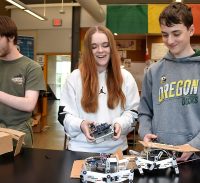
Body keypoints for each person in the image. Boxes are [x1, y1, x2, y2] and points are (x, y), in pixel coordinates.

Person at [58, 25, 140, 153]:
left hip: (116, 151)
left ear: (111, 47)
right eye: (94, 47)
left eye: (105, 45)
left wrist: (120, 124)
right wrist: (81, 124)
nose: (100, 50)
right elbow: (64, 115)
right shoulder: (74, 77)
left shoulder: (126, 77)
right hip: (80, 150)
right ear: (88, 50)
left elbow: (133, 112)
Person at [138, 2, 200, 162]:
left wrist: (194, 145)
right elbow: (144, 112)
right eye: (165, 34)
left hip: (195, 157)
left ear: (191, 30)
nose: (170, 40)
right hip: (159, 157)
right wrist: (145, 132)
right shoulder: (153, 71)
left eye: (176, 33)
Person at [0, 16, 46, 147]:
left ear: (11, 37)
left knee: (19, 167)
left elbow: (29, 104)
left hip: (19, 134)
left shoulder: (31, 67)